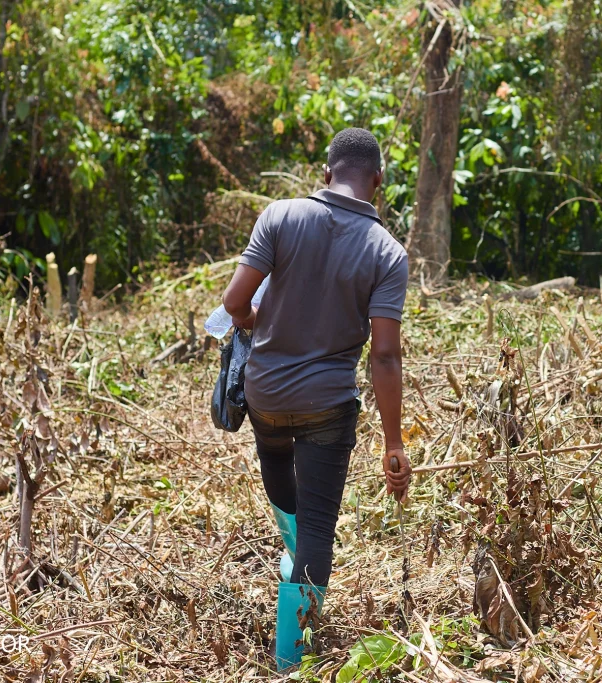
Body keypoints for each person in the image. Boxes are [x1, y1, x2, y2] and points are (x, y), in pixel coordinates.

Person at [221, 127, 411, 671]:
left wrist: (251, 321)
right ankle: (288, 661)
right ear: (378, 182)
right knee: (319, 530)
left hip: (265, 395)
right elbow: (385, 356)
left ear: (326, 173)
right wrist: (393, 441)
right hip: (328, 404)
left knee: (285, 491)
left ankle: (293, 563)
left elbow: (235, 300)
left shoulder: (280, 216)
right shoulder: (387, 253)